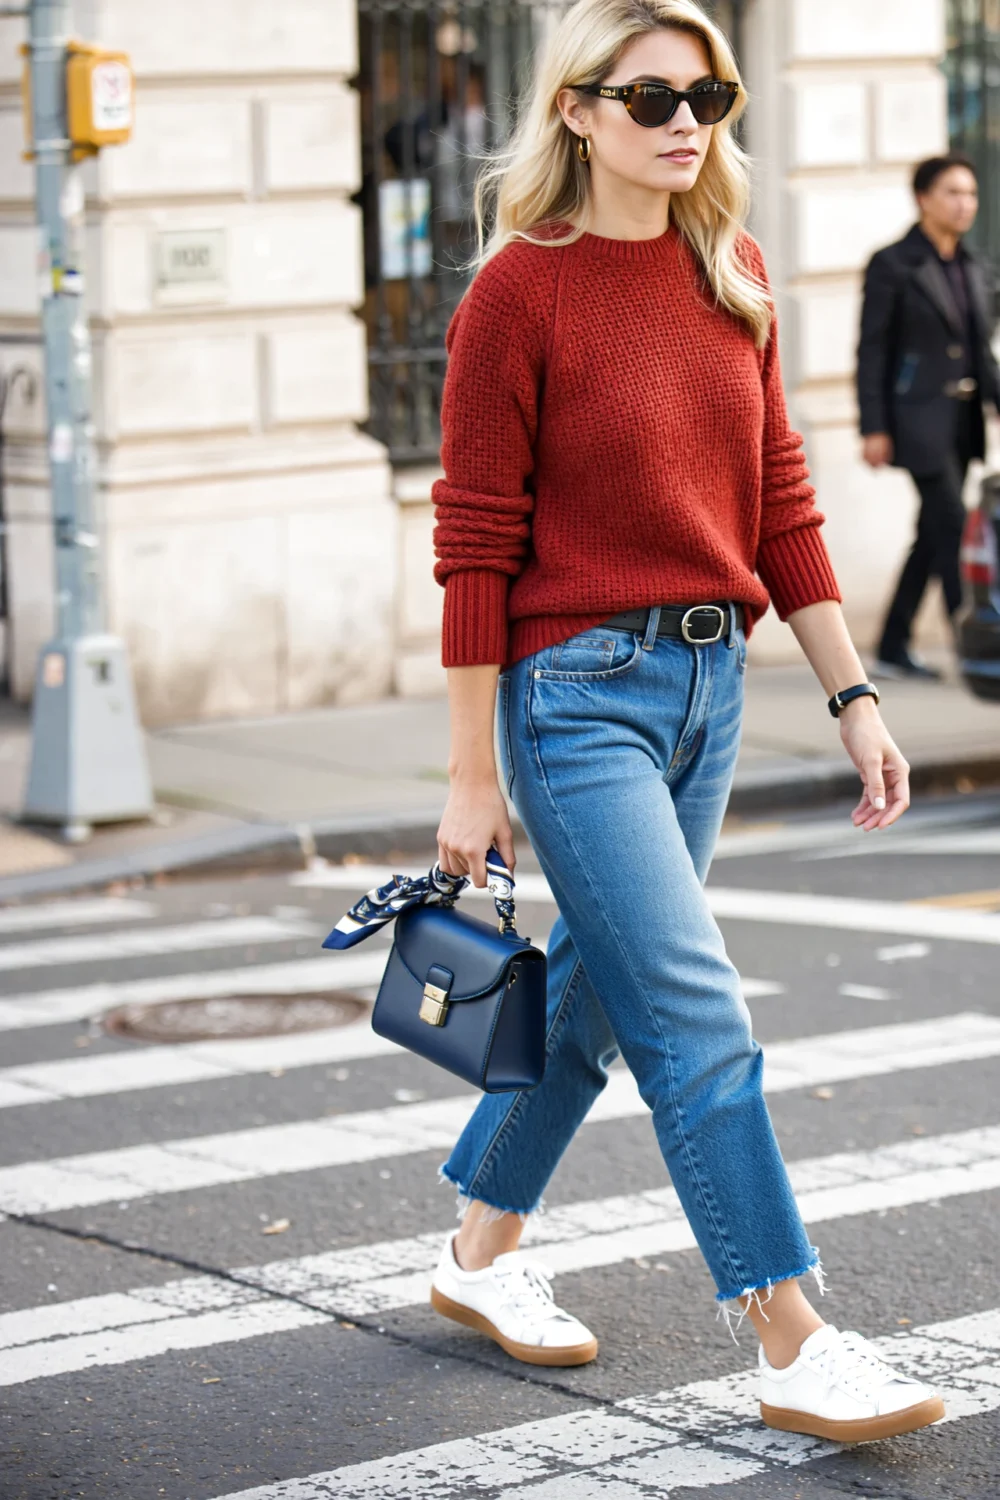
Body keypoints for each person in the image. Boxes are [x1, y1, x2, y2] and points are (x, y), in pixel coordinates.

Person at [428, 0, 944, 1445]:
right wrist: (470, 774)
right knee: (693, 1008)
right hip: (577, 697)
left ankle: (477, 1251)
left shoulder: (734, 268)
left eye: (705, 96)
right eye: (648, 96)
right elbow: (474, 547)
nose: (683, 123)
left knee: (598, 995)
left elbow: (780, 500)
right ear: (576, 109)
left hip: (713, 693)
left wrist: (852, 693)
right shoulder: (517, 295)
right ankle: (788, 1331)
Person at [858, 154, 1000, 680]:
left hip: (962, 423)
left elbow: (982, 353)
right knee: (955, 528)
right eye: (953, 193)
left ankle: (892, 644)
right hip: (915, 421)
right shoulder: (894, 263)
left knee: (932, 533)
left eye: (971, 193)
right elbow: (873, 349)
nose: (965, 204)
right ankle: (980, 649)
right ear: (923, 199)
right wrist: (873, 426)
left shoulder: (974, 267)